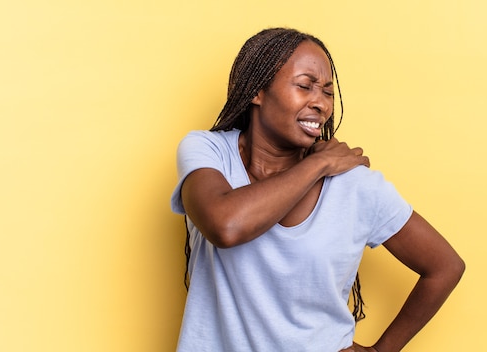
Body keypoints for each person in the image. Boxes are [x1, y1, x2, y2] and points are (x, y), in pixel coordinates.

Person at [170, 27, 465, 352]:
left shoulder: (354, 185)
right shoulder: (208, 152)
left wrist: (381, 351)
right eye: (305, 86)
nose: (321, 104)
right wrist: (317, 166)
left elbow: (445, 267)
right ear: (256, 91)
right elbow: (225, 225)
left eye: (327, 92)